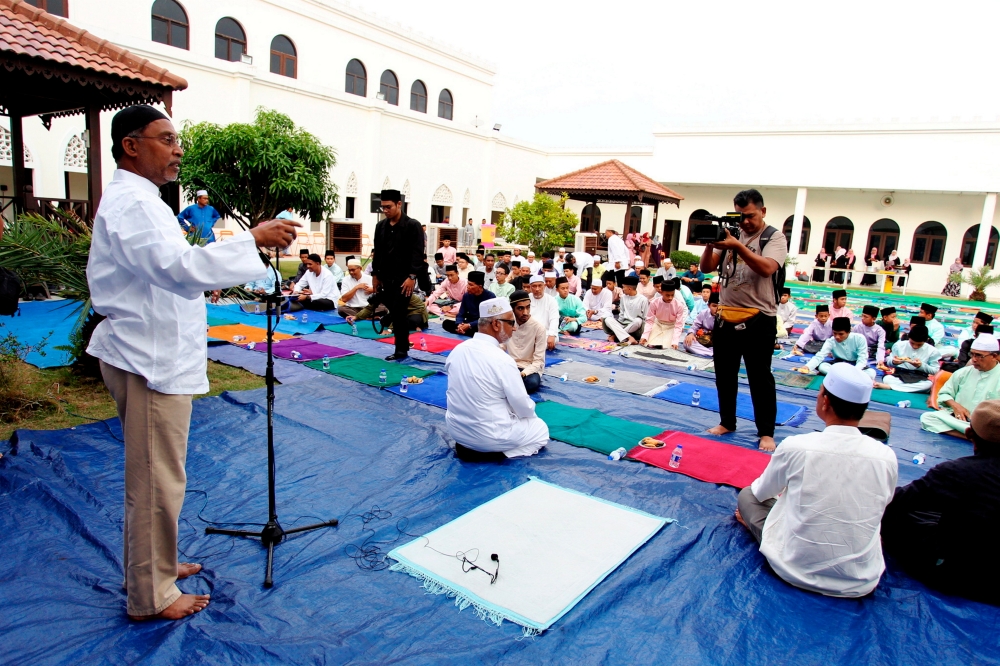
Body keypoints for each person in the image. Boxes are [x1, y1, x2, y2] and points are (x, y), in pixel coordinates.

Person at [88, 104, 299, 621]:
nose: (178, 148)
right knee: (155, 481)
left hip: (153, 355)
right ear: (131, 146)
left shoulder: (145, 200)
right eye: (166, 138)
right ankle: (151, 594)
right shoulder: (133, 204)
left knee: (162, 475)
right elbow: (178, 267)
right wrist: (250, 239)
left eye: (176, 138)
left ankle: (157, 564)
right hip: (147, 361)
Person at [735, 363, 898, 598]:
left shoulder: (797, 446)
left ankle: (759, 530)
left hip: (793, 568)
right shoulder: (886, 456)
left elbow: (761, 493)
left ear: (825, 402)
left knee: (747, 496)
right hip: (860, 579)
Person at [881, 399, 1000, 605]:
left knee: (895, 514)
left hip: (964, 576)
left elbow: (899, 501)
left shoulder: (959, 472)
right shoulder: (959, 474)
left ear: (969, 435)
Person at [700, 189, 788, 451]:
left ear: (762, 211)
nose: (745, 221)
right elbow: (706, 267)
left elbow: (767, 268)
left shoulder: (774, 237)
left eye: (749, 216)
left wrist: (737, 246)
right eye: (739, 216)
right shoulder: (732, 235)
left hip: (759, 318)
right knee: (724, 375)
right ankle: (727, 422)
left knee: (759, 378)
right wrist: (710, 242)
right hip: (726, 315)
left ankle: (766, 433)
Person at [445, 297, 549, 461]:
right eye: (510, 323)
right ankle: (497, 454)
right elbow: (523, 406)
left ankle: (475, 448)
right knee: (541, 429)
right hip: (489, 437)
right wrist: (530, 415)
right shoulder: (502, 360)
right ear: (496, 324)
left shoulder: (457, 350)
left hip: (457, 432)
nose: (514, 329)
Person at [372, 188, 425, 361]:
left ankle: (401, 350)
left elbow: (417, 253)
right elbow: (378, 252)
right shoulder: (381, 226)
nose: (385, 211)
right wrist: (375, 275)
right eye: (383, 208)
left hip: (404, 280)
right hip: (385, 277)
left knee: (399, 314)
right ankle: (400, 345)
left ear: (399, 204)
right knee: (394, 311)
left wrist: (411, 277)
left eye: (389, 207)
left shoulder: (412, 225)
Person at [920, 334, 1000, 436]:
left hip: (989, 425)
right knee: (928, 418)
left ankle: (976, 436)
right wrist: (956, 406)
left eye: (979, 355)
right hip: (961, 421)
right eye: (972, 354)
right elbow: (944, 394)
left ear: (994, 356)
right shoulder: (963, 373)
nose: (974, 359)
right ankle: (973, 437)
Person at [799, 317, 874, 378]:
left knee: (871, 373)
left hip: (855, 365)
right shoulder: (831, 341)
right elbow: (820, 356)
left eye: (841, 334)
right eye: (835, 333)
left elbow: (862, 359)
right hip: (839, 364)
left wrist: (854, 371)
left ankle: (839, 376)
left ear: (848, 332)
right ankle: (847, 377)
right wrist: (807, 367)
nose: (837, 337)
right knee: (822, 366)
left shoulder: (859, 338)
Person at [875, 325, 942, 393]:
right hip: (899, 375)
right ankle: (904, 388)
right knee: (887, 378)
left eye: (919, 345)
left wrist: (921, 366)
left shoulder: (933, 351)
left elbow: (935, 371)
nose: (915, 346)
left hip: (919, 377)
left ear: (926, 340)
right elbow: (889, 361)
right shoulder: (899, 345)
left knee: (928, 385)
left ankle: (890, 387)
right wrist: (893, 362)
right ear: (909, 337)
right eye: (912, 343)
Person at [504, 290, 546, 394]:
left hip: (529, 370)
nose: (525, 312)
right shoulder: (507, 324)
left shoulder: (539, 328)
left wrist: (523, 374)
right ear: (512, 309)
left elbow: (538, 361)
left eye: (528, 307)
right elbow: (500, 347)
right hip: (510, 365)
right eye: (520, 308)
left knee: (531, 383)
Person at [442, 271, 494, 337]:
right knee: (446, 323)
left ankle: (464, 331)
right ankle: (462, 330)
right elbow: (461, 314)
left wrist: (469, 325)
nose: (468, 287)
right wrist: (459, 324)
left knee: (486, 328)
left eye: (471, 285)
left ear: (480, 286)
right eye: (468, 284)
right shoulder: (467, 296)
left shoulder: (490, 296)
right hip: (468, 322)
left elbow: (488, 319)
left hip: (480, 324)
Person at [640, 278, 688, 349]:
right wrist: (645, 336)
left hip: (671, 327)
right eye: (667, 295)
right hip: (658, 324)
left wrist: (675, 341)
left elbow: (678, 325)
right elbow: (650, 321)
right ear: (661, 292)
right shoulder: (654, 303)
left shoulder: (679, 305)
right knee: (648, 344)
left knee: (667, 347)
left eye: (672, 295)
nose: (670, 298)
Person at [602, 276, 648, 344]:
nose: (622, 289)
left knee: (638, 321)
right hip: (623, 324)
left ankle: (615, 336)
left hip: (636, 326)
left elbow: (645, 317)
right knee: (607, 319)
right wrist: (617, 325)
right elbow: (621, 315)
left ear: (629, 289)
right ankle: (629, 338)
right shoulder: (623, 298)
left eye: (623, 287)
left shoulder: (643, 299)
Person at [528, 275, 559, 350]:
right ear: (530, 287)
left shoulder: (551, 300)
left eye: (540, 286)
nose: (537, 289)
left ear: (544, 286)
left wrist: (551, 335)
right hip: (528, 333)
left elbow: (554, 319)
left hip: (546, 333)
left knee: (553, 340)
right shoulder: (526, 299)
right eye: (534, 286)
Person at [684, 292, 719, 357]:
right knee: (687, 342)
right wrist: (691, 334)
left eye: (719, 307)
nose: (717, 309)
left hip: (719, 342)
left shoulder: (725, 316)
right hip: (704, 341)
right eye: (714, 306)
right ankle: (712, 353)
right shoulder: (703, 313)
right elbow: (694, 326)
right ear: (709, 305)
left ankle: (711, 352)